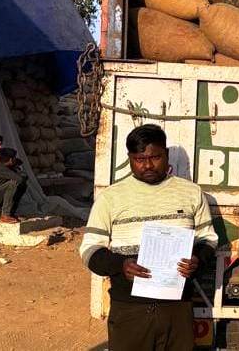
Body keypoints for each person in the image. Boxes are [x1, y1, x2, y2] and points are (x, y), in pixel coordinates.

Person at [80, 124, 217, 351]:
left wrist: (198, 260)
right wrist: (120, 265)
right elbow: (89, 249)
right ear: (130, 158)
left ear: (166, 155)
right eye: (139, 159)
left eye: (155, 157)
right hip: (129, 310)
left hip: (176, 309)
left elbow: (208, 239)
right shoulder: (111, 198)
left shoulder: (191, 193)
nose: (147, 165)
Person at [0, 147, 28, 223]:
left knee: (22, 186)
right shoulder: (0, 168)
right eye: (14, 158)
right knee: (12, 184)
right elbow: (20, 179)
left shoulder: (2, 165)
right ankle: (5, 215)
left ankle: (11, 213)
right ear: (10, 159)